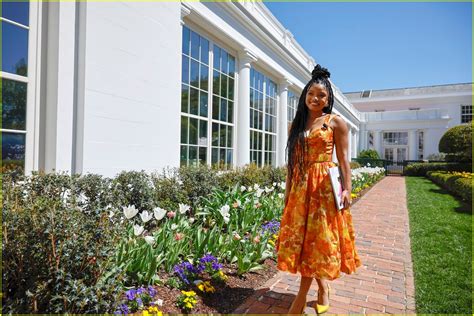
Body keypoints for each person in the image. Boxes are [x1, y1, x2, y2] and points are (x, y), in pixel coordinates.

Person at [276, 64, 361, 314]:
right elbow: (291, 164)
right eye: (311, 93)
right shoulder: (295, 126)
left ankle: (299, 300)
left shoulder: (335, 123)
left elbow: (344, 161)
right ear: (304, 95)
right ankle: (323, 288)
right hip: (302, 188)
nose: (315, 98)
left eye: (321, 95)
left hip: (324, 187)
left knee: (318, 241)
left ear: (328, 99)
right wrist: (288, 192)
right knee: (306, 244)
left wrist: (347, 190)